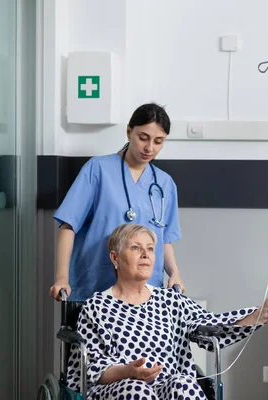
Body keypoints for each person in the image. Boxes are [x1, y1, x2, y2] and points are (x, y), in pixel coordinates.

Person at [66, 223, 268, 399]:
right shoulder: (96, 307)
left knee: (184, 384)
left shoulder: (170, 301)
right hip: (117, 390)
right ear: (115, 258)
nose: (146, 254)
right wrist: (128, 372)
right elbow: (92, 371)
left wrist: (262, 313)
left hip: (166, 388)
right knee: (137, 390)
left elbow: (211, 325)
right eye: (136, 248)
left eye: (150, 249)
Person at [49, 103, 186, 302]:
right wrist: (62, 278)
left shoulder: (165, 184)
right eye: (143, 138)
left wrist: (174, 273)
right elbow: (68, 225)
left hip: (145, 292)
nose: (149, 148)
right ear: (129, 132)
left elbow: (164, 239)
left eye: (158, 141)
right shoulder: (97, 170)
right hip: (96, 285)